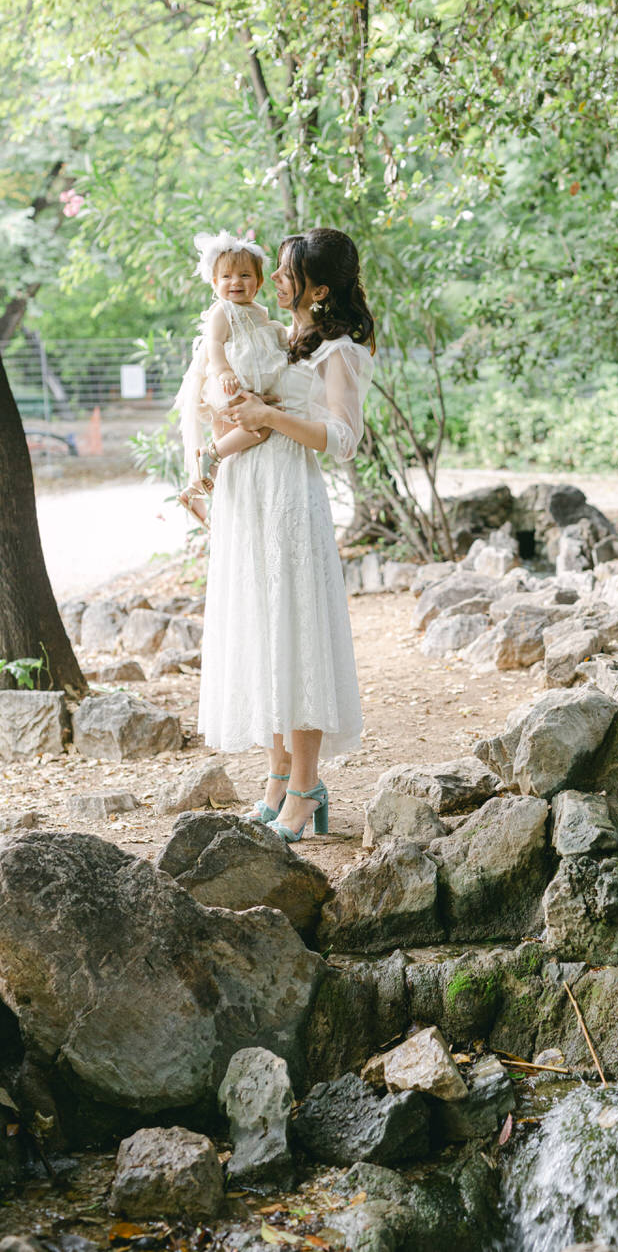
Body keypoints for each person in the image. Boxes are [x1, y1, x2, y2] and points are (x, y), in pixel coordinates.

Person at [197, 227, 375, 842]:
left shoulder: (339, 351)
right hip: (250, 496)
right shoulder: (283, 337)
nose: (272, 280)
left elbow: (343, 439)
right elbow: (240, 403)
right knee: (261, 631)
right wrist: (215, 452)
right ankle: (276, 775)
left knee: (296, 636)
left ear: (319, 287)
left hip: (292, 502)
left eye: (285, 272)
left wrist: (270, 415)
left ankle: (306, 786)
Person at [174, 230, 288, 527]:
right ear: (215, 283)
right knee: (260, 427)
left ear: (259, 282)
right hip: (228, 383)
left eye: (245, 275)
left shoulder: (258, 313)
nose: (235, 282)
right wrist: (224, 371)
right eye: (226, 277)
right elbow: (213, 345)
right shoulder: (222, 311)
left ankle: (194, 491)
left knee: (229, 442)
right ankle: (207, 456)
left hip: (243, 385)